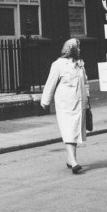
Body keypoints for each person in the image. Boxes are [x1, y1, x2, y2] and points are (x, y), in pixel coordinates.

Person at [40, 38, 90, 174]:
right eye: (77, 48)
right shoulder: (58, 64)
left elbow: (85, 82)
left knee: (75, 131)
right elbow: (50, 83)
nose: (79, 50)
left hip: (79, 102)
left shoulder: (80, 64)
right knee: (69, 130)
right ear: (71, 49)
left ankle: (70, 159)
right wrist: (45, 101)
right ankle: (74, 162)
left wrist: (87, 99)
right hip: (64, 104)